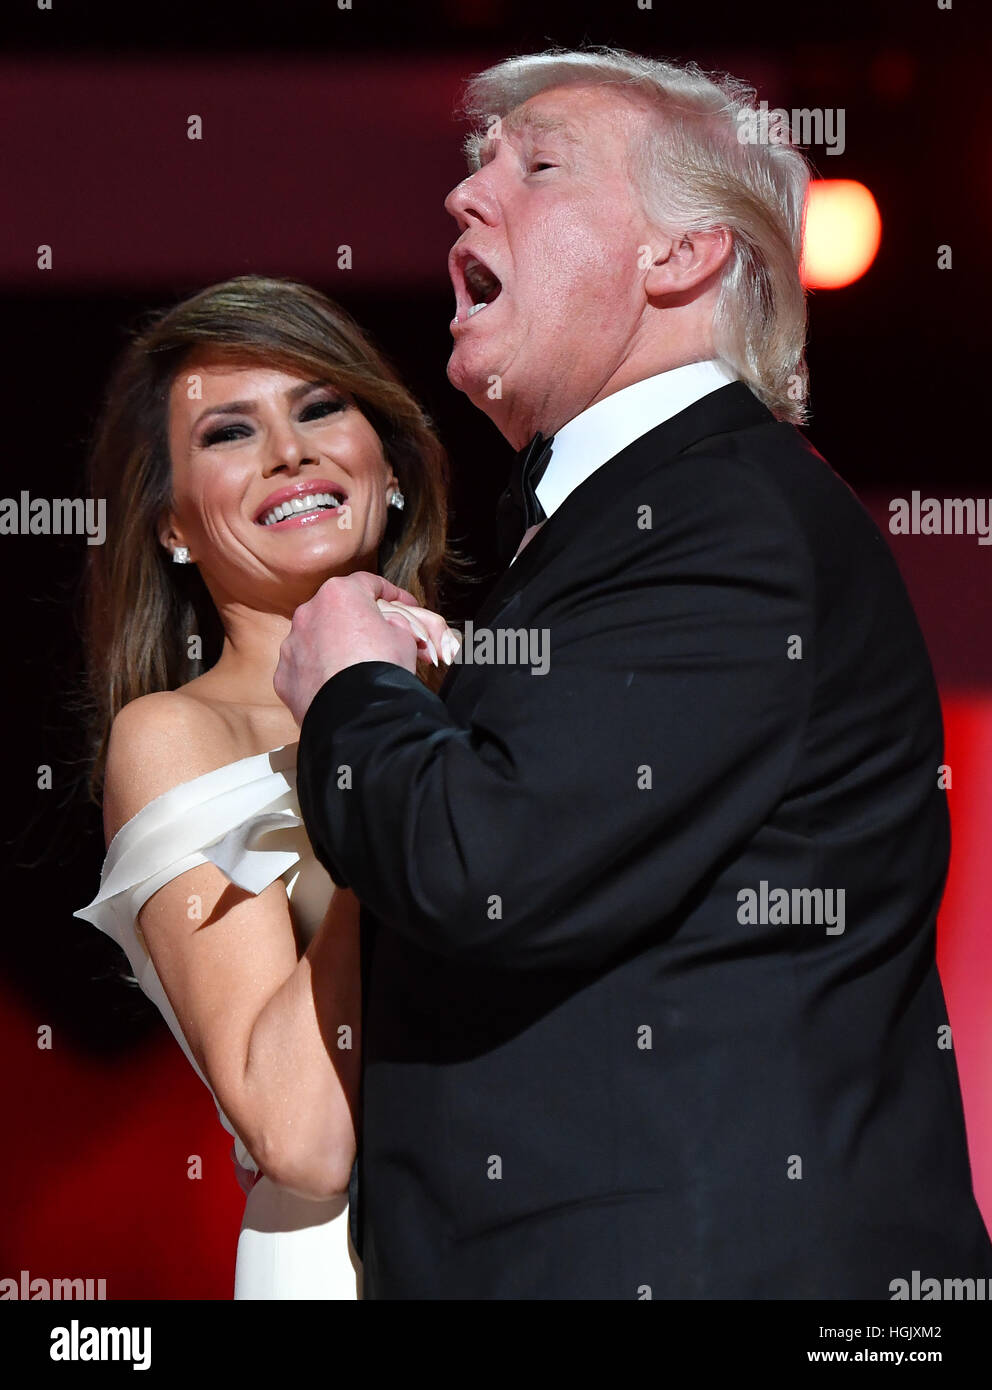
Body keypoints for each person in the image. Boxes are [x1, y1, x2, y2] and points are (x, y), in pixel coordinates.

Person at [274, 48, 992, 1298]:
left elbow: (479, 863)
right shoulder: (648, 518)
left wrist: (348, 689)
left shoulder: (722, 518)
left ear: (681, 255)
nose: (462, 197)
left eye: (535, 165)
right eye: (473, 163)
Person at [73, 274, 457, 1299]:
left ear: (389, 464)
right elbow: (299, 1135)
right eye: (228, 433)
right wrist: (389, 767)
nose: (290, 451)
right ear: (171, 527)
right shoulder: (178, 735)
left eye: (322, 407)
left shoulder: (501, 694)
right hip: (340, 1260)